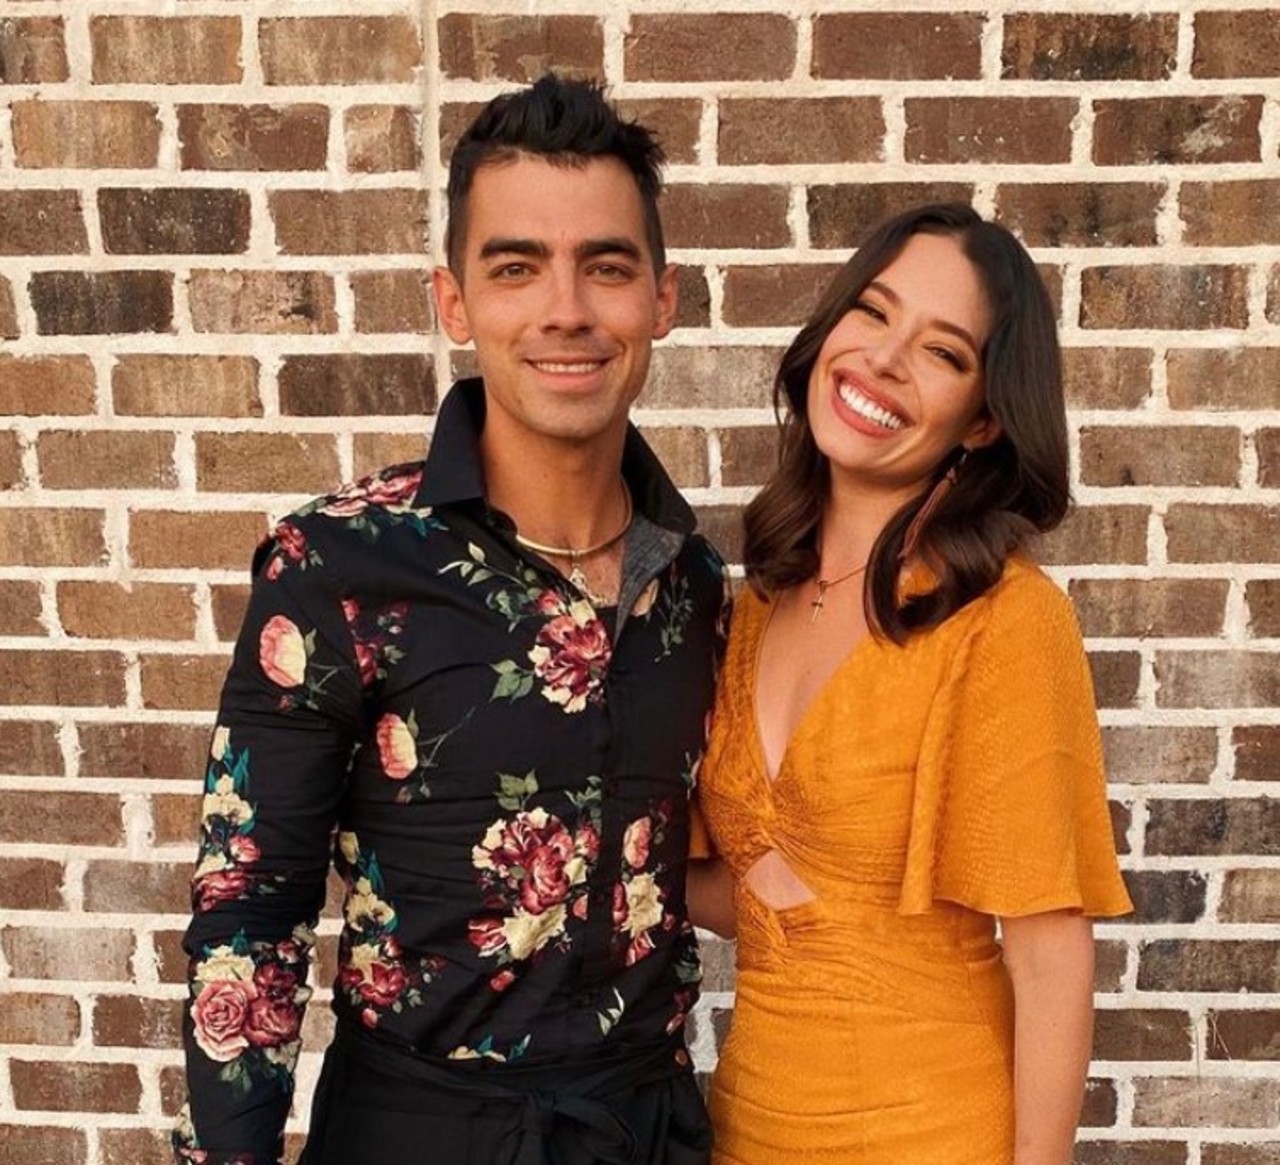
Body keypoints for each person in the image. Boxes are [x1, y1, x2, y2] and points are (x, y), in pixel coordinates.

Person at [174, 75, 728, 1165]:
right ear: (454, 301)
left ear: (662, 299)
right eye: (515, 267)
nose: (565, 308)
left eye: (606, 265)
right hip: (413, 1129)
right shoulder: (337, 565)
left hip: (644, 1127)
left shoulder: (694, 584)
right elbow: (252, 907)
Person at [688, 203, 1132, 1165]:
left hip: (935, 1129)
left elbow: (1050, 950)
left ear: (982, 418)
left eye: (941, 351)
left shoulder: (1004, 618)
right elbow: (765, 894)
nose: (885, 360)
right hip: (750, 1125)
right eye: (873, 312)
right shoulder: (762, 598)